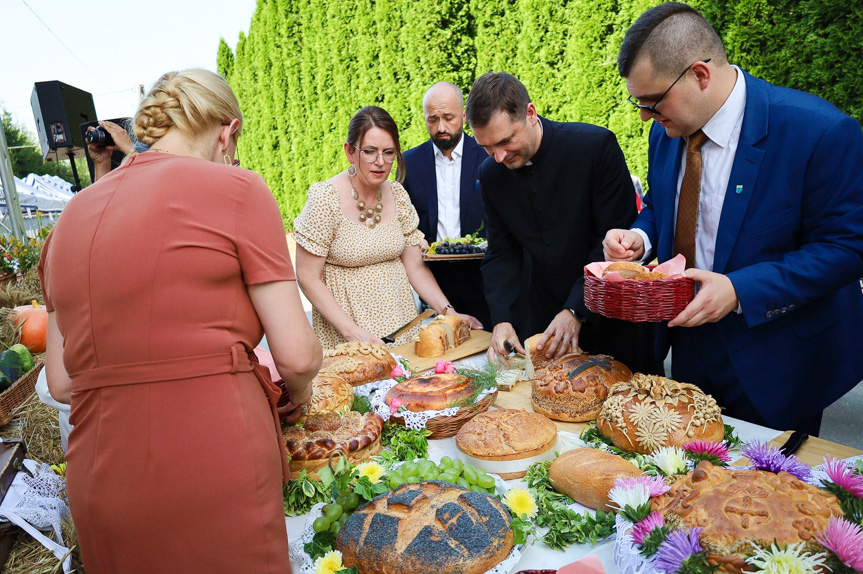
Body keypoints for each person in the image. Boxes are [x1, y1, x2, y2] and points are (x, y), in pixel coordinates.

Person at [40, 69, 321, 573]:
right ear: (226, 132)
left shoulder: (66, 222)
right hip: (215, 458)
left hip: (101, 474)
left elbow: (62, 382)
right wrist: (297, 394)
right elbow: (297, 354)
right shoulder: (237, 188)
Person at [603, 2, 863, 435]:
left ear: (700, 76)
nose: (645, 115)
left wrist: (740, 289)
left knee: (765, 495)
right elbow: (661, 206)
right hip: (687, 347)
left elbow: (847, 248)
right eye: (638, 103)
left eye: (652, 101)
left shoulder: (819, 131)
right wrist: (639, 237)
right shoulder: (665, 133)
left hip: (777, 360)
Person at [467, 72, 659, 374]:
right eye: (487, 147)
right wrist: (502, 318)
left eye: (505, 141)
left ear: (530, 113)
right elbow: (501, 252)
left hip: (613, 315)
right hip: (544, 321)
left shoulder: (594, 147)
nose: (499, 156)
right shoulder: (491, 174)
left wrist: (575, 310)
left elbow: (611, 245)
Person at [294, 106, 481, 348]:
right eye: (370, 152)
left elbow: (415, 267)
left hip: (402, 329)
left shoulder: (397, 194)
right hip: (347, 337)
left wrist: (449, 312)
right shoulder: (325, 197)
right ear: (350, 152)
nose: (381, 162)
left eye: (389, 152)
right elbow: (308, 277)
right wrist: (353, 333)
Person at [402, 82, 491, 327]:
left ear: (464, 116)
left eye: (448, 118)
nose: (441, 127)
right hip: (433, 282)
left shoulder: (489, 155)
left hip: (484, 280)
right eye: (433, 119)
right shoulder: (408, 163)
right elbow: (404, 222)